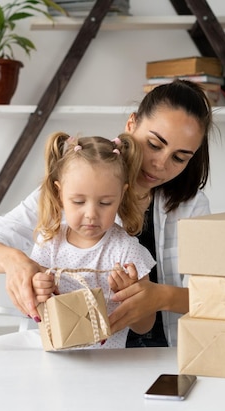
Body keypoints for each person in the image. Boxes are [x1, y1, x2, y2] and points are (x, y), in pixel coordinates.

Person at [0, 80, 213, 347]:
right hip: (70, 351)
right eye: (154, 144)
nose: (160, 164)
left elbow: (216, 295)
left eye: (179, 158)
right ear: (131, 124)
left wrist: (160, 298)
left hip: (162, 354)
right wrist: (13, 262)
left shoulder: (191, 205)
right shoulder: (78, 183)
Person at [31, 132, 156, 349]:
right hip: (55, 356)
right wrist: (37, 288)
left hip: (107, 363)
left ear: (121, 195)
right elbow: (32, 304)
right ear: (59, 193)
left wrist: (130, 294)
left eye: (105, 203)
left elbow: (145, 326)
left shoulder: (126, 250)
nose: (91, 214)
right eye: (78, 201)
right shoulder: (50, 241)